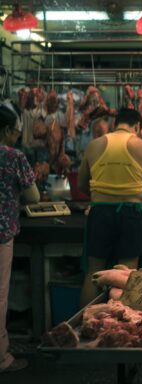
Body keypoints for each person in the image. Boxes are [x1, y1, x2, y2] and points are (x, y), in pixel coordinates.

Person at [78, 108, 142, 306]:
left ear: (116, 123)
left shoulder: (94, 145)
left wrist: (103, 195)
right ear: (138, 126)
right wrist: (141, 199)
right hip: (131, 212)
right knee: (127, 273)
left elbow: (82, 185)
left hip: (100, 212)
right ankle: (126, 329)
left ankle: (83, 326)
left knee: (94, 272)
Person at [0, 102, 40, 373]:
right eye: (15, 131)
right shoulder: (13, 156)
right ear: (5, 131)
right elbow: (34, 197)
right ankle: (2, 359)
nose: (17, 136)